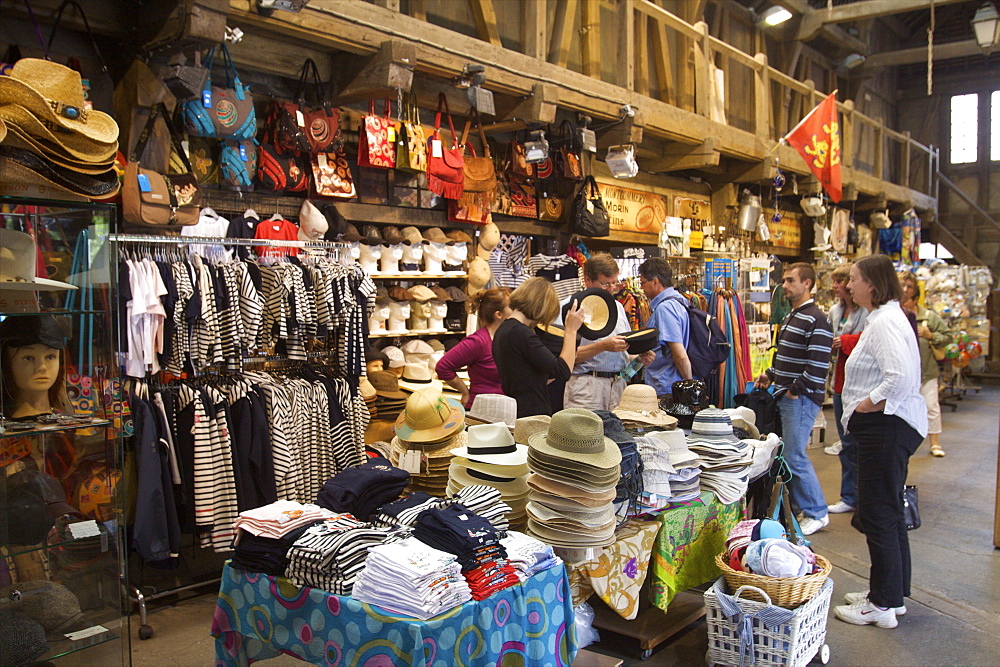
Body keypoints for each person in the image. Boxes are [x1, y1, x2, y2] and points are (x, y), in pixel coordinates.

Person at [833, 255, 927, 629]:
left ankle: (881, 604)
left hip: (886, 427)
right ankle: (892, 594)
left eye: (854, 279)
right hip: (888, 426)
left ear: (871, 283)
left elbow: (899, 377)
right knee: (885, 509)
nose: (849, 286)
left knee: (878, 513)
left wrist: (864, 407)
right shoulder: (884, 317)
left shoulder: (886, 321)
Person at [755, 262, 832, 536]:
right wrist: (770, 375)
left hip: (800, 398)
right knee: (789, 454)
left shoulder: (816, 319)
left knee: (795, 456)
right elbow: (789, 357)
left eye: (790, 281)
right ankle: (804, 507)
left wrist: (794, 389)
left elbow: (818, 365)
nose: (784, 286)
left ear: (807, 283)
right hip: (787, 394)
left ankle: (816, 512)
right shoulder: (793, 315)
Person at [556, 254, 654, 411]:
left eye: (614, 283)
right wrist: (602, 346)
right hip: (586, 387)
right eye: (605, 284)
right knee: (585, 434)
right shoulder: (569, 308)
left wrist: (639, 359)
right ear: (588, 280)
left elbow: (623, 356)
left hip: (618, 386)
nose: (611, 289)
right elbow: (561, 359)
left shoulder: (618, 307)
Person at [492, 277, 585, 418]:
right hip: (531, 413)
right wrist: (571, 330)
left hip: (518, 409)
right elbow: (563, 371)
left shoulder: (505, 329)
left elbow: (531, 376)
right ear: (541, 307)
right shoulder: (521, 333)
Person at [826, 265, 868, 515]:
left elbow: (869, 340)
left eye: (842, 281)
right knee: (847, 442)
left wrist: (847, 341)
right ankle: (850, 495)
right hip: (840, 380)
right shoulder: (835, 311)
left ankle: (863, 495)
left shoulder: (869, 313)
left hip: (861, 384)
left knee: (861, 443)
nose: (837, 286)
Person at [898, 272, 950, 458]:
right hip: (902, 372)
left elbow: (947, 337)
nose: (905, 290)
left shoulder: (928, 316)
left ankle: (935, 442)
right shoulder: (894, 313)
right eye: (902, 285)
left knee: (931, 406)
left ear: (915, 291)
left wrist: (930, 335)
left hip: (926, 371)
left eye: (909, 286)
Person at [435, 288, 511, 409]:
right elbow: (442, 367)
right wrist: (465, 391)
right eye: (511, 306)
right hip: (482, 412)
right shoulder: (478, 341)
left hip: (505, 409)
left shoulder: (508, 339)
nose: (516, 310)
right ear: (499, 314)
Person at [639, 257, 691, 396]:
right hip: (670, 384)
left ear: (655, 281)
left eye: (643, 283)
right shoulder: (679, 302)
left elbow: (679, 354)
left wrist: (689, 385)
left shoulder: (665, 308)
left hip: (667, 386)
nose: (641, 288)